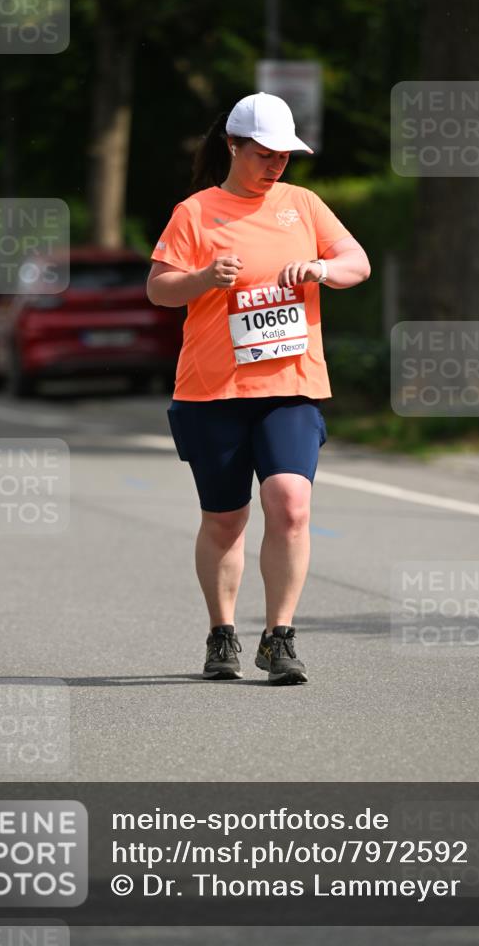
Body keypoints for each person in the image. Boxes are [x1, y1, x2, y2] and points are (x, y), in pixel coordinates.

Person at [147, 92, 370, 685]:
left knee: (291, 506)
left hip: (290, 384)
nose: (276, 165)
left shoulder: (303, 205)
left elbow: (357, 262)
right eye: (264, 154)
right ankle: (223, 634)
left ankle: (279, 636)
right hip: (212, 390)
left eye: (285, 156)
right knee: (225, 520)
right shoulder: (195, 212)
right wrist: (199, 278)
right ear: (233, 147)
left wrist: (322, 269)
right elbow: (159, 289)